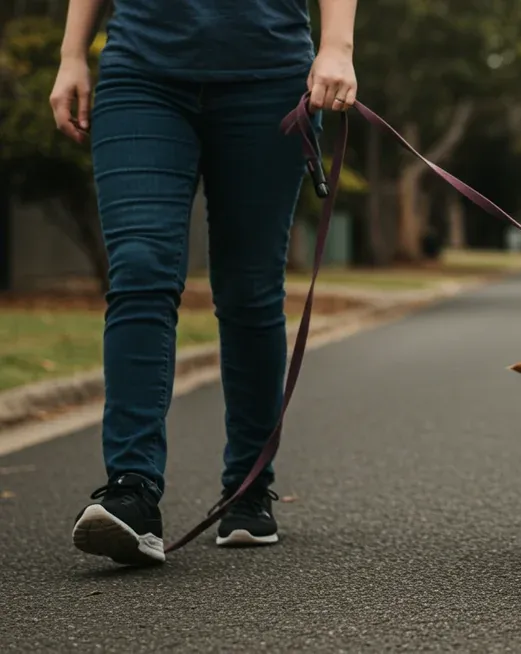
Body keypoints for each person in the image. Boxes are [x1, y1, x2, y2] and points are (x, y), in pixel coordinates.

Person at [50, 0, 358, 566]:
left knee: (249, 288)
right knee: (140, 268)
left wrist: (337, 45)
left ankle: (247, 486)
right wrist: (72, 55)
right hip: (142, 73)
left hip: (267, 77)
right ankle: (132, 490)